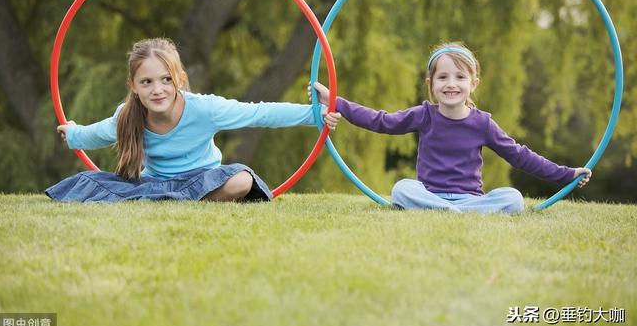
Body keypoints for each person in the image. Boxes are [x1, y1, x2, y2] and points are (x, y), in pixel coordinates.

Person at [47, 37, 341, 203]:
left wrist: (314, 115)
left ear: (180, 80)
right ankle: (167, 199)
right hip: (155, 183)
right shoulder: (128, 115)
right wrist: (74, 134)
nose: (157, 89)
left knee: (242, 180)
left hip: (204, 179)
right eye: (146, 82)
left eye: (165, 80)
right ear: (133, 86)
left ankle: (174, 201)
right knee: (89, 183)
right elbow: (99, 133)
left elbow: (259, 112)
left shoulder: (205, 109)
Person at [311, 41, 591, 213]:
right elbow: (380, 121)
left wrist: (566, 175)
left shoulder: (483, 123)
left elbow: (520, 155)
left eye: (460, 77)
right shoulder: (424, 115)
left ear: (473, 84)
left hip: (471, 201)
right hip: (428, 195)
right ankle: (445, 210)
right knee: (401, 189)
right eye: (442, 77)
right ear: (430, 84)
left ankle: (454, 212)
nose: (451, 84)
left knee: (513, 198)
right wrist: (335, 101)